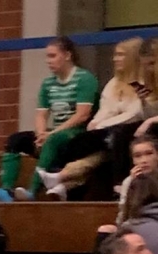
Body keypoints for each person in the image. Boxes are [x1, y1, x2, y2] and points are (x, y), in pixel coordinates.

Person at [0, 37, 98, 203]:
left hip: (78, 133)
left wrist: (52, 134)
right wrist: (40, 133)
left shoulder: (84, 79)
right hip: (56, 132)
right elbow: (41, 114)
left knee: (53, 139)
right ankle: (6, 189)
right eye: (47, 56)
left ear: (67, 55)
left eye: (52, 56)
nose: (48, 61)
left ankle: (32, 191)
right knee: (16, 140)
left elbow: (82, 115)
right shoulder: (48, 83)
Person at [36, 38, 144, 200]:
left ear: (132, 57)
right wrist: (96, 122)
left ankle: (61, 180)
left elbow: (135, 113)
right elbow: (106, 108)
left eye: (121, 55)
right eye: (115, 54)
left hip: (131, 130)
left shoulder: (142, 81)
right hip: (110, 131)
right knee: (90, 145)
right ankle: (63, 183)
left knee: (112, 141)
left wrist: (102, 124)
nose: (115, 59)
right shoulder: (114, 82)